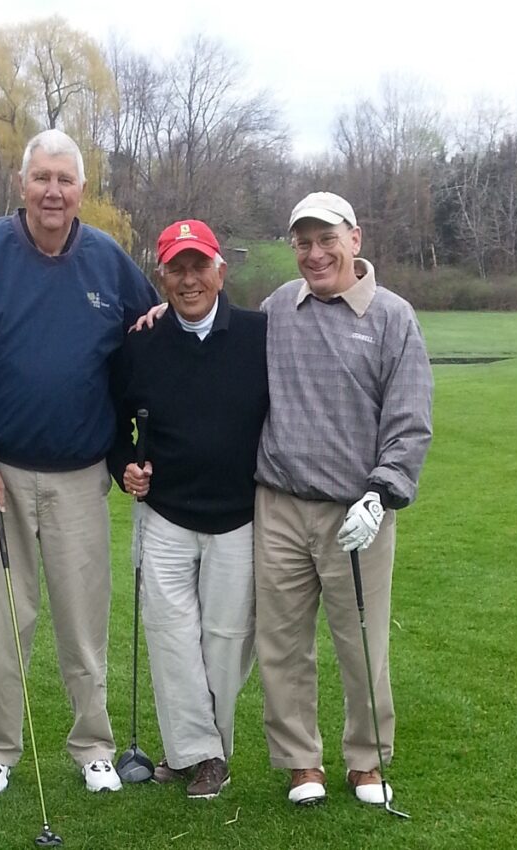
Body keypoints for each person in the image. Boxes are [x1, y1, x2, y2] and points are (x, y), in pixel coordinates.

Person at [0, 129, 158, 796]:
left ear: (81, 191)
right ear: (22, 183)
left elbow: (151, 330)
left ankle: (93, 746)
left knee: (83, 620)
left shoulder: (107, 260)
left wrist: (138, 441)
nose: (53, 191)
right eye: (42, 178)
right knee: (5, 620)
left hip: (79, 475)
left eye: (65, 179)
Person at [253, 192, 433, 806]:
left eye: (326, 238)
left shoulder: (392, 316)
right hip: (278, 504)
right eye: (302, 241)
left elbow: (409, 422)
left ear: (354, 239)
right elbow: (217, 351)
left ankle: (366, 759)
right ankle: (302, 761)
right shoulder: (279, 306)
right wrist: (159, 318)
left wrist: (382, 493)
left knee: (361, 643)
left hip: (358, 511)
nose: (314, 252)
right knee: (281, 642)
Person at [109, 219, 269, 799]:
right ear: (162, 277)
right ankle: (200, 756)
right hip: (166, 514)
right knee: (170, 636)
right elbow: (114, 422)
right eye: (176, 268)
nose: (189, 278)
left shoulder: (259, 334)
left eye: (199, 265)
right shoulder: (141, 341)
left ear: (221, 270)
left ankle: (198, 752)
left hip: (240, 516)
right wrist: (123, 463)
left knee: (226, 640)